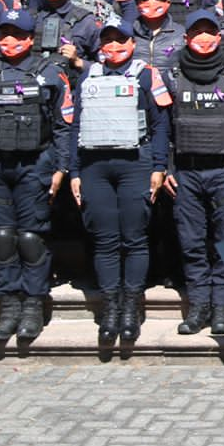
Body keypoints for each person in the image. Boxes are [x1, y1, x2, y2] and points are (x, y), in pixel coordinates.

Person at [0, 8, 76, 343]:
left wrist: (60, 168)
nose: (10, 41)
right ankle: (9, 305)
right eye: (4, 34)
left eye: (18, 35)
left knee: (30, 237)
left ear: (30, 38)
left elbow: (64, 126)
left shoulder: (49, 73)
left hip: (34, 165)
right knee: (2, 237)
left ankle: (34, 305)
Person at [69, 17, 171, 344]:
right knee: (105, 239)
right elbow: (75, 126)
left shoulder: (147, 74)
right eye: (107, 41)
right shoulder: (88, 75)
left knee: (134, 237)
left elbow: (160, 125)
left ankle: (131, 306)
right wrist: (74, 171)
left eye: (120, 41)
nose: (113, 47)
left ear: (131, 44)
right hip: (94, 165)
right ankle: (110, 307)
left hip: (135, 163)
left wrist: (158, 166)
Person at [164, 11, 224, 337]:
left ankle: (221, 309)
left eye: (210, 32)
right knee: (191, 245)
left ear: (219, 37)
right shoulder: (171, 75)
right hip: (186, 173)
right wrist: (166, 167)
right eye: (197, 32)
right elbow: (163, 126)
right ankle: (198, 308)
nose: (204, 38)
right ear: (186, 37)